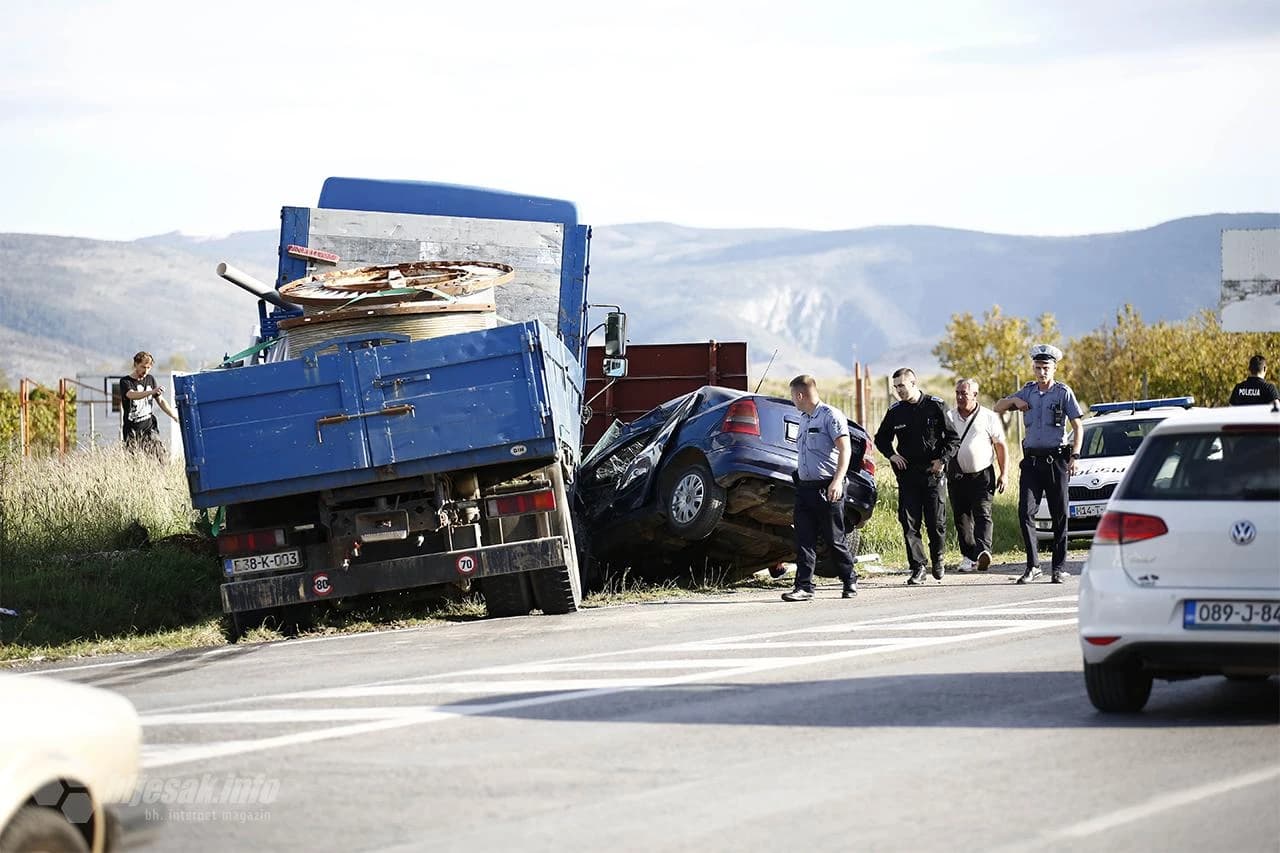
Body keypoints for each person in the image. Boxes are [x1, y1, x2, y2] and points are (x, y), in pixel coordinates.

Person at [993, 344, 1082, 584]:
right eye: (1037, 367)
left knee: (1059, 514)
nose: (1041, 372)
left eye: (1045, 368)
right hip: (1032, 462)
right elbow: (997, 407)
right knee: (1025, 512)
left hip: (1056, 460)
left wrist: (1074, 456)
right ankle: (1033, 565)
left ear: (1054, 368)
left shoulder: (1063, 393)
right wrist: (1015, 401)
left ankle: (1059, 567)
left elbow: (1077, 426)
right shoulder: (1028, 391)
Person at [874, 368, 959, 585]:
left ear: (913, 383)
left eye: (902, 385)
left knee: (935, 522)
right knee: (909, 522)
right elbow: (881, 438)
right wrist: (892, 455)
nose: (899, 390)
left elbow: (953, 439)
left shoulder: (935, 406)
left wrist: (942, 460)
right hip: (908, 474)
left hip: (933, 472)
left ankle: (938, 558)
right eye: (896, 387)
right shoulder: (896, 411)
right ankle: (918, 567)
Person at [781, 375, 859, 602]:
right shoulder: (804, 419)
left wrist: (837, 481)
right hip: (805, 488)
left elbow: (845, 450)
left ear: (799, 395)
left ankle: (849, 578)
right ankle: (804, 586)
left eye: (792, 397)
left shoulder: (830, 416)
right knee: (804, 540)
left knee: (834, 540)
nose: (793, 401)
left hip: (827, 488)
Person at [946, 378, 1007, 573]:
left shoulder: (988, 417)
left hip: (982, 474)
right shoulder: (949, 416)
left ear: (975, 395)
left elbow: (1000, 446)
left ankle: (983, 552)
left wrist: (1004, 473)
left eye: (964, 393)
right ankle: (968, 556)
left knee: (983, 513)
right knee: (961, 517)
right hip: (957, 475)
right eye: (957, 393)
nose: (960, 397)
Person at [119, 351, 178, 458]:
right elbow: (131, 395)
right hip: (132, 429)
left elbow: (160, 401)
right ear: (135, 364)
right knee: (134, 462)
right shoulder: (125, 381)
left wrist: (174, 416)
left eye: (148, 368)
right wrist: (151, 392)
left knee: (161, 458)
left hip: (149, 427)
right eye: (143, 367)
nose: (145, 371)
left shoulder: (150, 379)